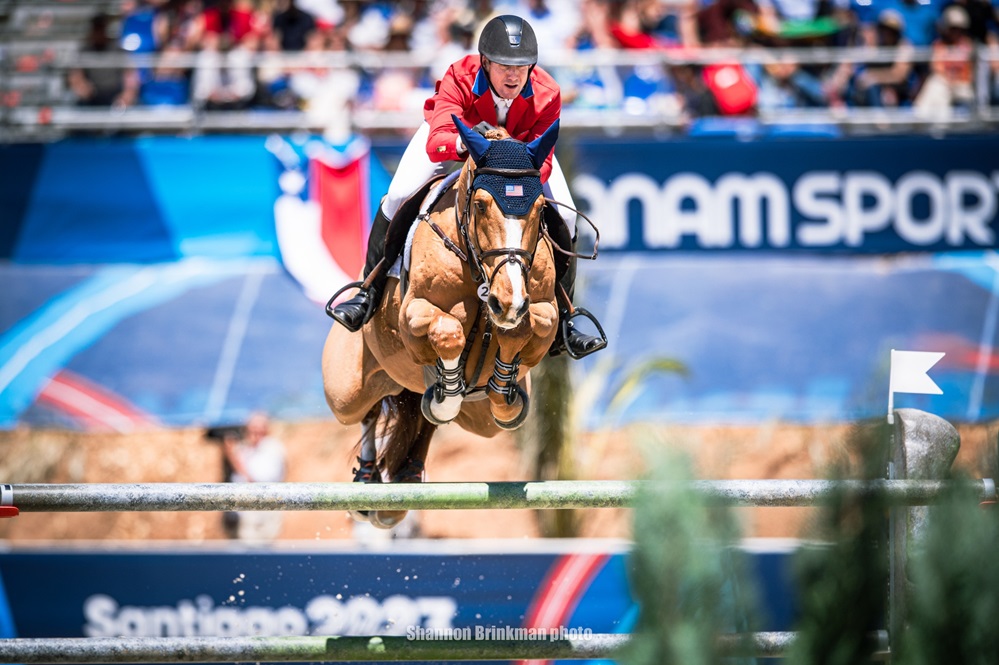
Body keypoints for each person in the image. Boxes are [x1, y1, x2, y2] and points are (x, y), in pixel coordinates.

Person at [330, 14, 606, 359]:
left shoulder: (547, 93)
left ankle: (566, 318)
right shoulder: (460, 76)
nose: (513, 76)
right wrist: (468, 146)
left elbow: (544, 160)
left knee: (567, 216)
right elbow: (438, 142)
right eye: (504, 66)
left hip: (519, 158)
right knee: (398, 194)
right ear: (485, 62)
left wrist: (511, 169)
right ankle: (368, 290)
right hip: (457, 141)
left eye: (521, 68)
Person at [221, 412, 287, 542]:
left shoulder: (272, 448)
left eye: (258, 429)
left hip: (263, 510)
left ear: (266, 429)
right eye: (251, 429)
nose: (254, 434)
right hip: (244, 510)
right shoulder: (246, 448)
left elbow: (259, 481)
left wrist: (233, 458)